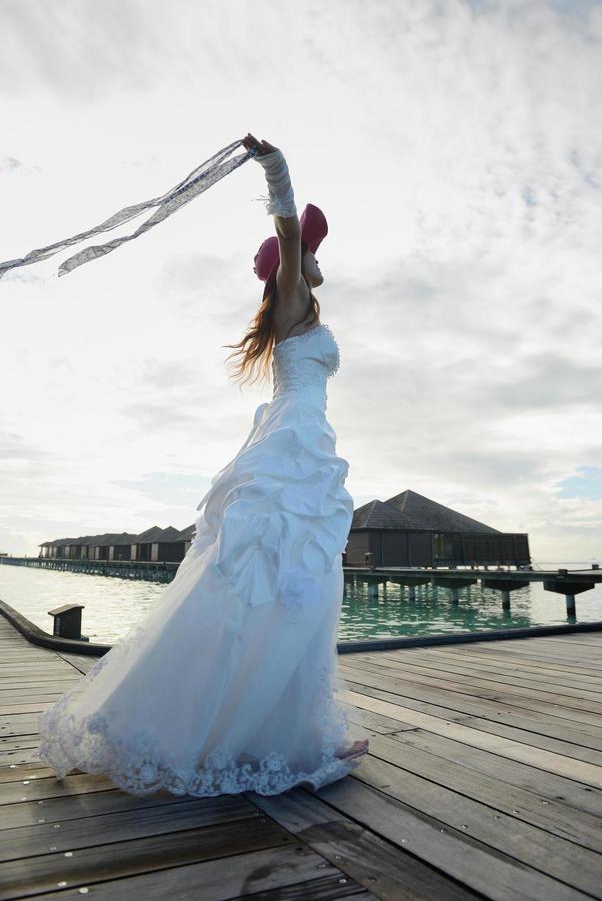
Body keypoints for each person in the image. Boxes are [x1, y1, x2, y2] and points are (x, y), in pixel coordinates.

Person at [37, 134, 369, 797]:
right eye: (306, 252)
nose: (314, 257)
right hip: (289, 453)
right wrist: (275, 169)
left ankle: (296, 731)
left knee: (301, 589)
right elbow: (287, 226)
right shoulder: (293, 302)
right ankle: (209, 728)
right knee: (270, 584)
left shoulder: (299, 314)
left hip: (302, 448)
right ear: (291, 266)